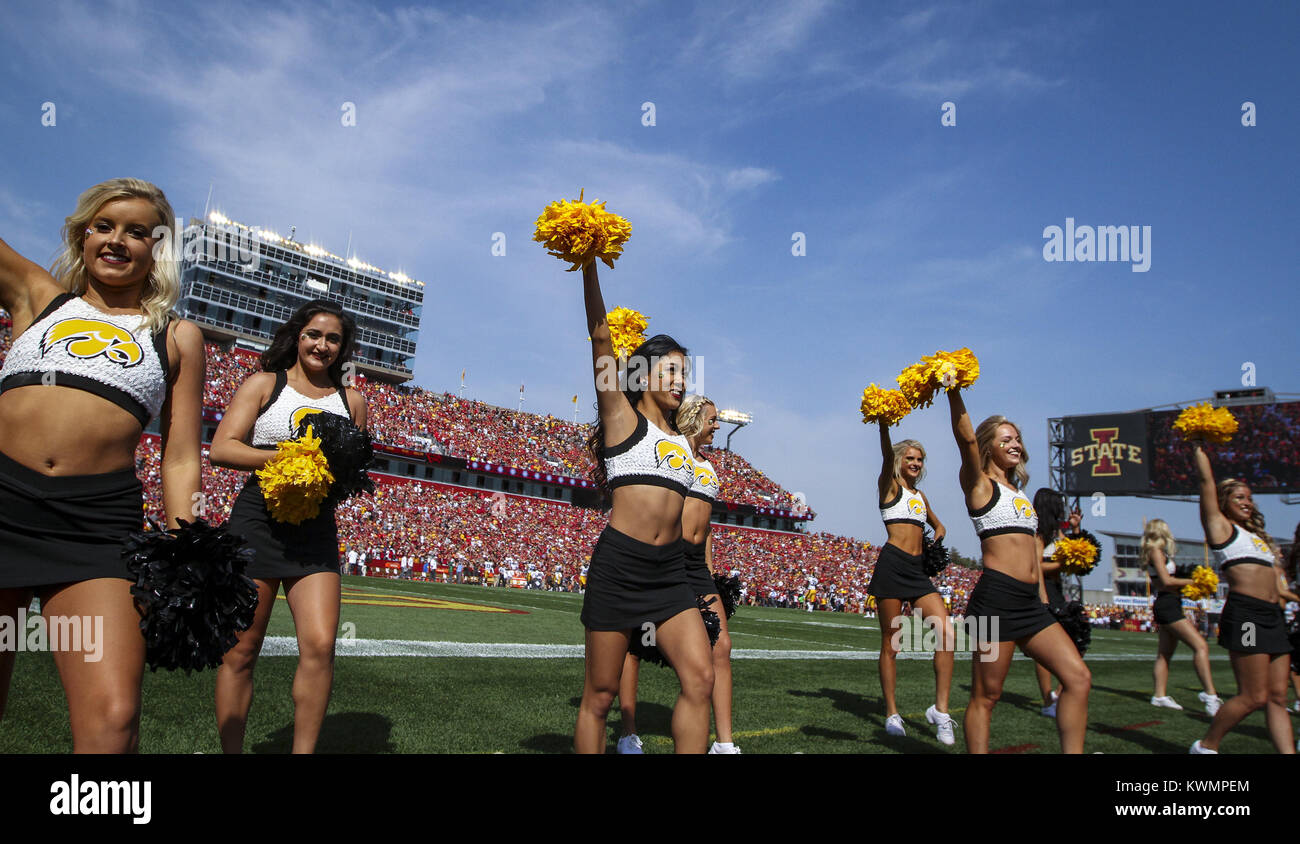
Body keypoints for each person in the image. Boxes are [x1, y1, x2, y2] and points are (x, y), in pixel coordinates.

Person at [0, 178, 205, 751]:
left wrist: (182, 548)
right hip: (1, 500)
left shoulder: (177, 337)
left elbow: (182, 455)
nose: (118, 241)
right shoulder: (40, 298)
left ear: (156, 249)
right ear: (82, 235)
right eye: (104, 226)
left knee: (114, 719)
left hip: (96, 522)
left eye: (138, 232)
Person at [211, 299, 368, 754]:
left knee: (320, 646)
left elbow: (352, 475)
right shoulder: (264, 384)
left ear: (343, 348)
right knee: (241, 650)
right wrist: (291, 458)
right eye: (314, 335)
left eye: (333, 339)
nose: (322, 345)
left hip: (315, 528)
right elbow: (222, 448)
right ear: (297, 337)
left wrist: (328, 476)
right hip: (256, 520)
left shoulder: (351, 401)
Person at [573, 261, 713, 754]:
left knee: (700, 678)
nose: (680, 380)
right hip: (621, 567)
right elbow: (600, 340)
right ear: (642, 372)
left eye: (685, 373)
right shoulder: (620, 417)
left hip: (670, 575)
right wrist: (589, 264)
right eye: (671, 370)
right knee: (600, 696)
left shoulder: (682, 438)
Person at [947, 390, 1091, 753]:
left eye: (1017, 438)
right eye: (1005, 439)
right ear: (988, 447)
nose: (1015, 444)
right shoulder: (979, 485)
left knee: (1078, 678)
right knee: (986, 696)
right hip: (995, 600)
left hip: (1030, 604)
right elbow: (964, 437)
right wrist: (954, 390)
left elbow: (1032, 550)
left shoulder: (1019, 492)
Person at [617, 395, 739, 754]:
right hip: (666, 558)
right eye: (712, 419)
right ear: (693, 418)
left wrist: (711, 573)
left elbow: (708, 526)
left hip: (697, 566)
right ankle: (627, 733)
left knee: (722, 647)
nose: (717, 425)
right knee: (636, 645)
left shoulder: (710, 465)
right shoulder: (673, 454)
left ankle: (725, 743)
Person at [1189, 443, 1295, 754]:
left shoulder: (1257, 538)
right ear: (1224, 502)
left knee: (1278, 697)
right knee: (1253, 696)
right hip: (1247, 616)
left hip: (1273, 616)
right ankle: (1206, 746)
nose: (1247, 503)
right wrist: (1198, 446)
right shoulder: (1221, 527)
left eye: (1249, 498)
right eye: (1239, 498)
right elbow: (1206, 483)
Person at [866, 424, 956, 745]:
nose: (916, 463)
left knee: (946, 633)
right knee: (892, 642)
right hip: (892, 567)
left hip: (918, 572)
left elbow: (940, 526)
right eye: (911, 458)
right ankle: (892, 713)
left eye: (920, 459)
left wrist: (935, 547)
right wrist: (883, 424)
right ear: (900, 461)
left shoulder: (920, 496)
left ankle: (940, 711)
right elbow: (885, 453)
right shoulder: (889, 486)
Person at [1140, 518, 1221, 714]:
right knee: (1200, 646)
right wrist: (1195, 582)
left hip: (1170, 603)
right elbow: (1167, 581)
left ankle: (1159, 696)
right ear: (1161, 531)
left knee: (1165, 654)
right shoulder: (1156, 552)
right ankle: (1210, 695)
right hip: (1167, 604)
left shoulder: (1157, 552)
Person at [1032, 488, 1081, 717]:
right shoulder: (1038, 533)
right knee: (1045, 650)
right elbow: (1037, 566)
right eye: (1058, 505)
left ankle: (1058, 695)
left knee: (1075, 641)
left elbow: (1074, 551)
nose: (1062, 508)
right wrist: (1043, 598)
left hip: (1058, 590)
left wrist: (1075, 528)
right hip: (1045, 590)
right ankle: (1047, 698)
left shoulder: (1058, 533)